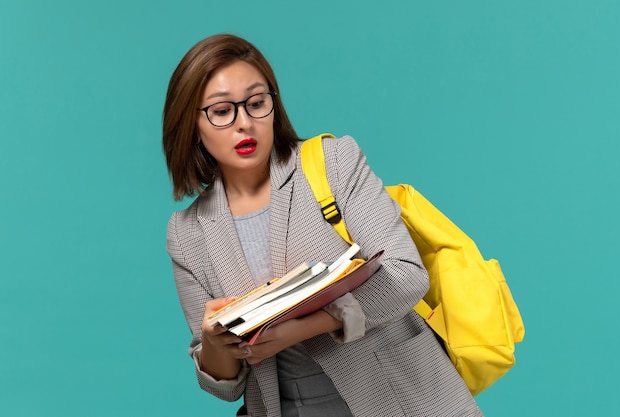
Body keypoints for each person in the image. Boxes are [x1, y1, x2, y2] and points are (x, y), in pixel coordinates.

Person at [162, 33, 483, 417]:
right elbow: (224, 387)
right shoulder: (187, 233)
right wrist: (216, 344)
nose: (244, 123)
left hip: (400, 401)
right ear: (192, 124)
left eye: (257, 103)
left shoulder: (332, 163)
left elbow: (407, 276)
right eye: (221, 111)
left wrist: (307, 326)